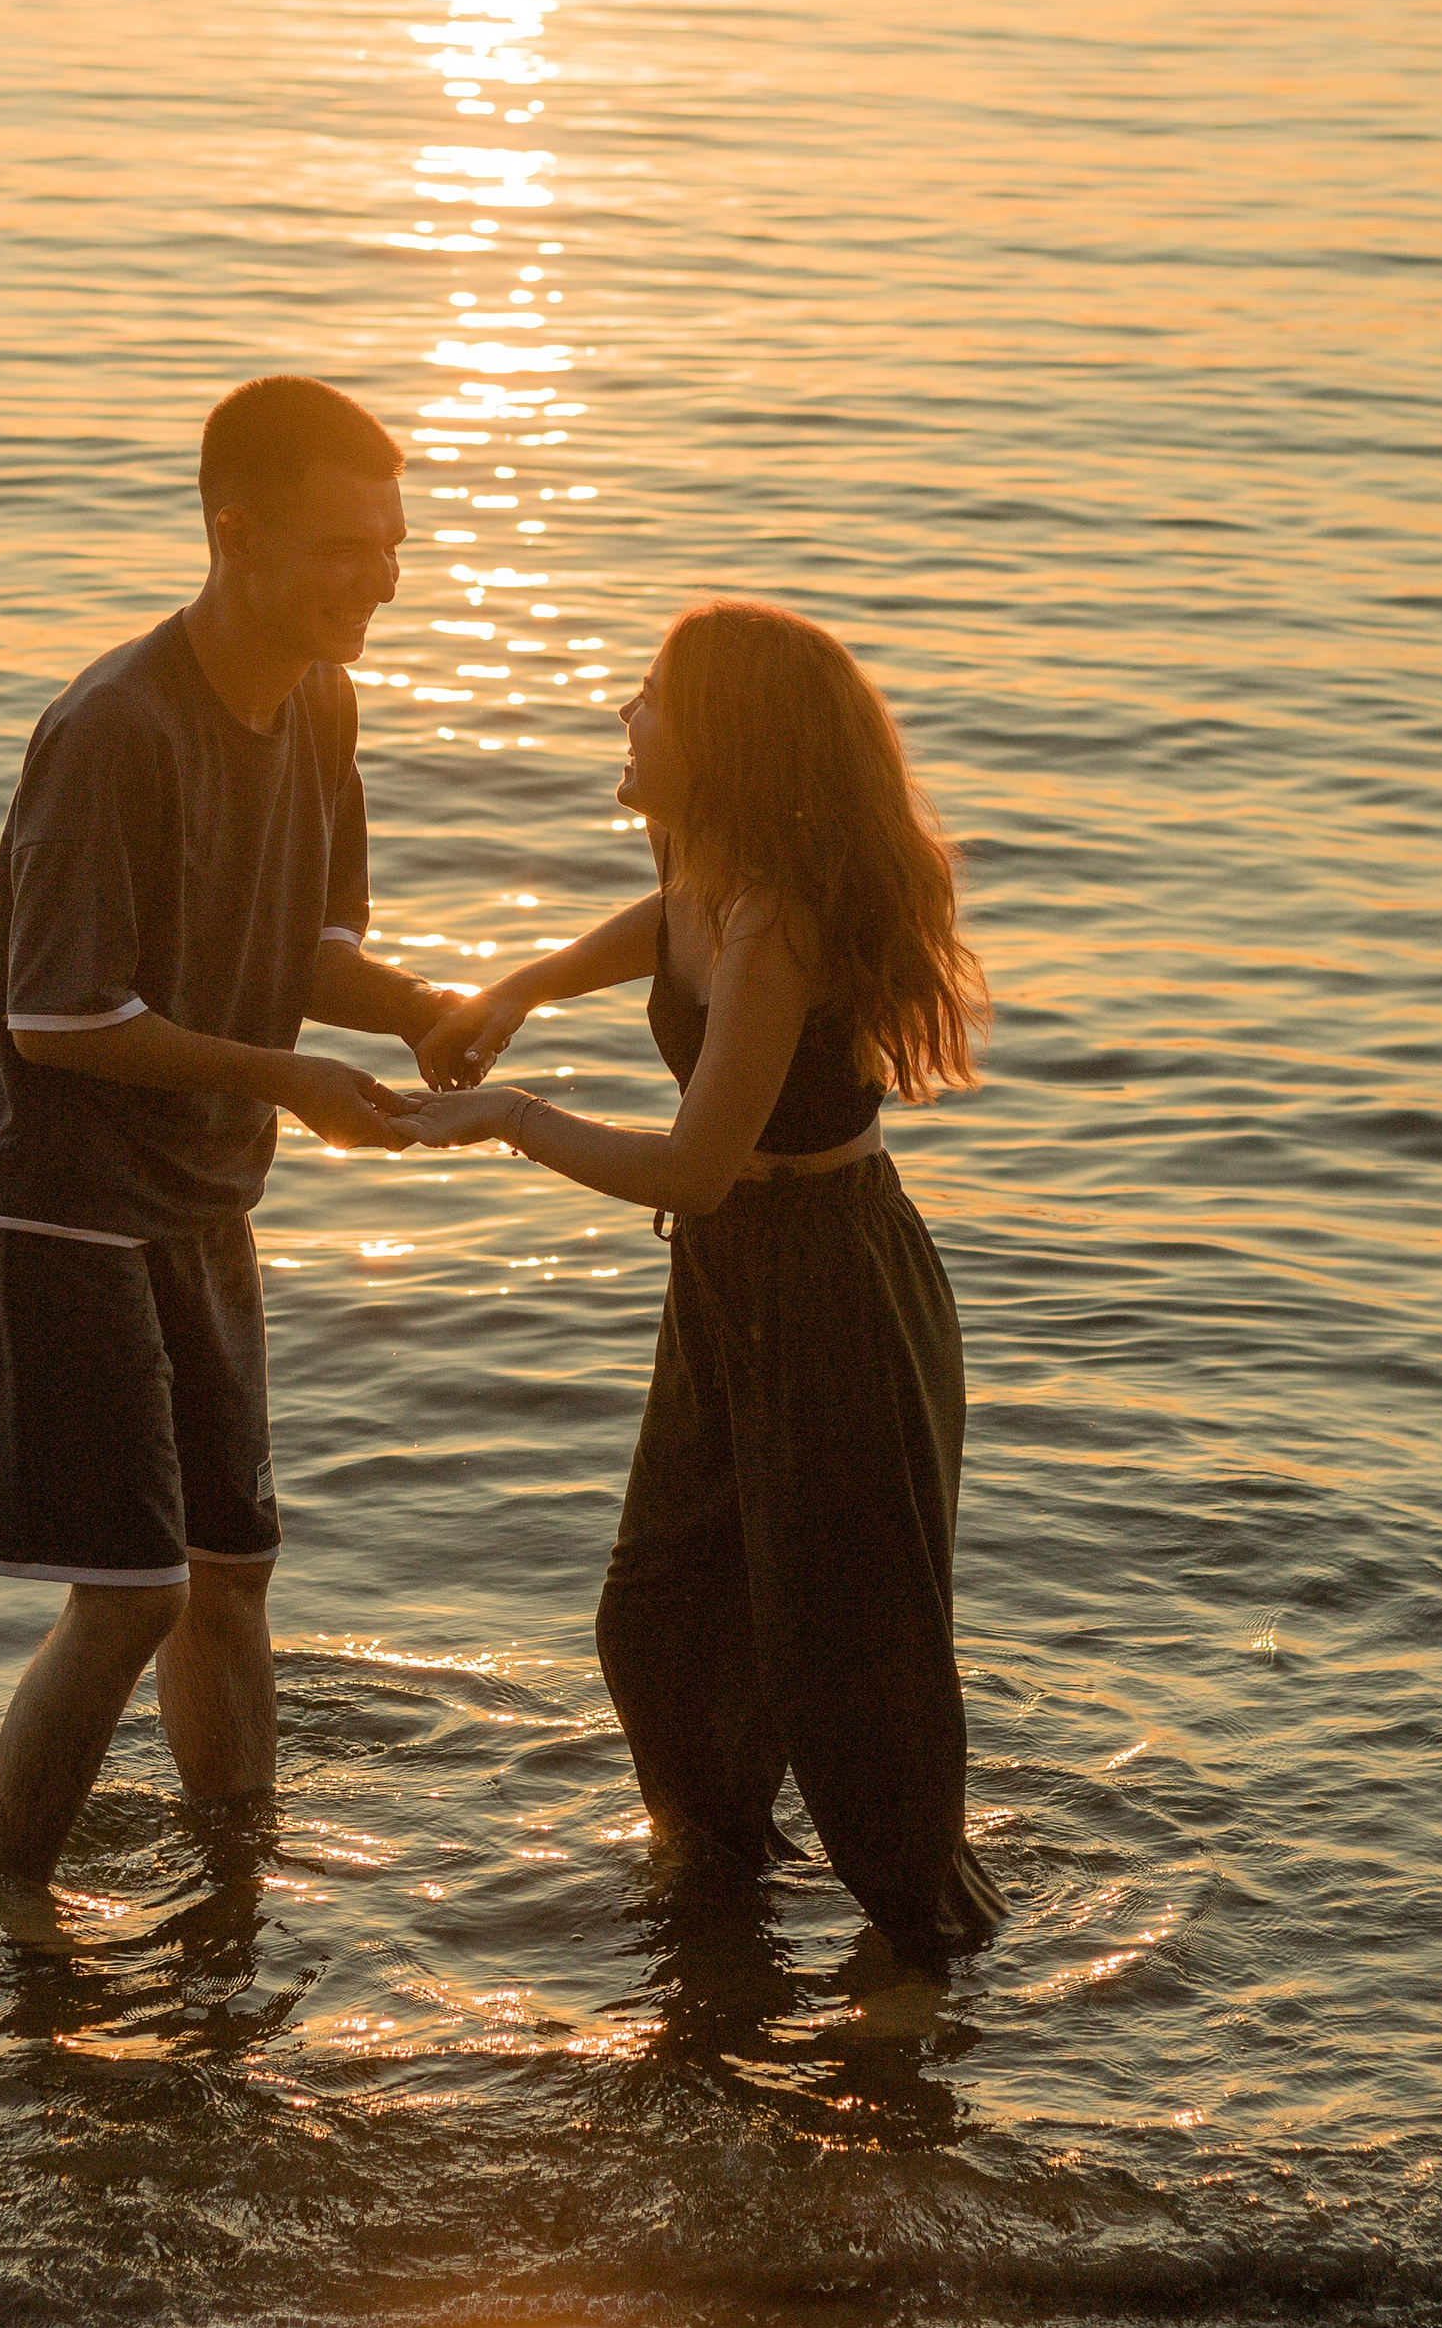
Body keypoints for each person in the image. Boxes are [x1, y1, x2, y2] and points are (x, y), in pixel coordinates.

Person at [402, 599, 1004, 1967]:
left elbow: (695, 1168)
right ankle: (718, 1895)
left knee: (847, 1661)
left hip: (833, 1281)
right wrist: (523, 983)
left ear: (724, 742)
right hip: (731, 1282)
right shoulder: (697, 849)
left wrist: (509, 1116)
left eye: (655, 699)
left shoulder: (779, 916)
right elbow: (667, 924)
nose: (626, 714)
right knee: (658, 1621)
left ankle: (923, 1958)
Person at [0, 376, 462, 1888]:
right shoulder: (114, 729)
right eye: (345, 550)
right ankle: (22, 1921)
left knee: (232, 1573)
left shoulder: (323, 701)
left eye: (393, 546)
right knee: (130, 1596)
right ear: (233, 535)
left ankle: (234, 1890)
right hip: (54, 1200)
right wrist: (293, 1081)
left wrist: (415, 1008)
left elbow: (304, 944)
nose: (379, 581)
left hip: (200, 1189)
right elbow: (59, 1017)